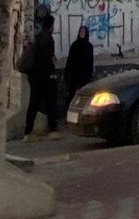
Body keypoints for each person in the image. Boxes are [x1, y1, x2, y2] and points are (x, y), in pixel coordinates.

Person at [24, 7, 59, 137]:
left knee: (34, 103)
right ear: (51, 26)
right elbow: (47, 59)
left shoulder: (37, 37)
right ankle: (53, 129)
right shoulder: (48, 39)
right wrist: (52, 73)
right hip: (45, 76)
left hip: (34, 76)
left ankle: (28, 131)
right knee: (51, 103)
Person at [63, 22, 95, 101]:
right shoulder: (75, 45)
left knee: (83, 94)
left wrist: (90, 74)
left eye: (83, 32)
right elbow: (70, 59)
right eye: (81, 31)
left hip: (84, 74)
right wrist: (66, 73)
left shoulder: (89, 46)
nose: (82, 33)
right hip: (74, 73)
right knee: (72, 94)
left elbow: (90, 61)